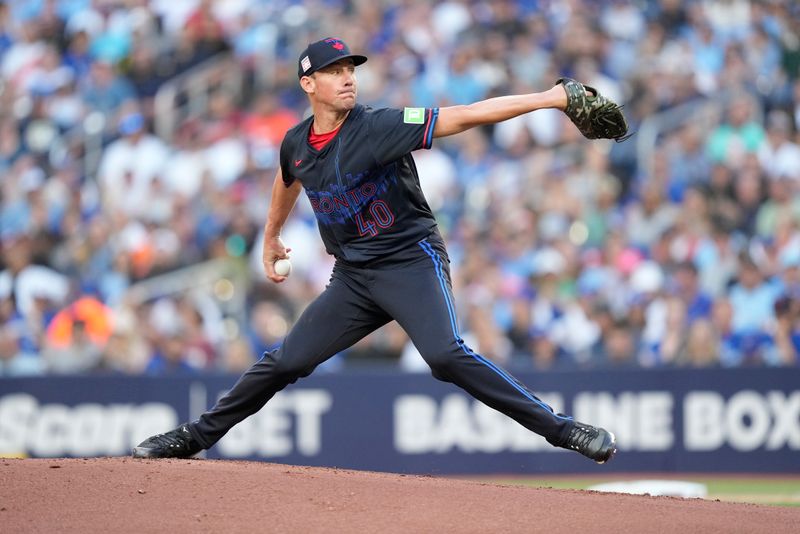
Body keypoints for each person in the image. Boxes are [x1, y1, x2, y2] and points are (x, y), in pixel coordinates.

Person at [133, 38, 617, 464]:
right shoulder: (296, 142)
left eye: (351, 70)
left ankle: (562, 430)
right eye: (335, 71)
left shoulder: (380, 125)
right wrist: (270, 234)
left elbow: (463, 116)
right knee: (285, 362)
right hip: (354, 276)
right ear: (308, 84)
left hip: (410, 260)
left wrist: (552, 98)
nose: (348, 79)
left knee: (445, 356)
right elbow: (288, 179)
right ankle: (194, 437)